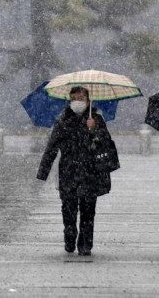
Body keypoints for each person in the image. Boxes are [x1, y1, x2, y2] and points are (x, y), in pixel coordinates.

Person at [36, 86, 118, 256]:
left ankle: (86, 243)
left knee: (88, 210)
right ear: (70, 100)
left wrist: (93, 128)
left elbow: (105, 142)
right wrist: (43, 172)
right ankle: (70, 236)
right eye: (74, 98)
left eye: (81, 98)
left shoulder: (96, 118)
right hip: (68, 171)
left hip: (90, 171)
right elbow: (52, 147)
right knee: (68, 208)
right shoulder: (63, 120)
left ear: (88, 99)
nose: (78, 102)